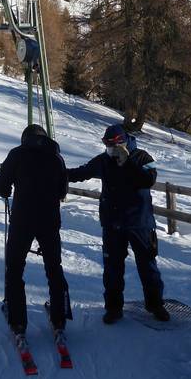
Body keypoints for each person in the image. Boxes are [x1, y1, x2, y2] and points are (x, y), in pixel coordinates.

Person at [67, 123, 170, 324]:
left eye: (113, 146)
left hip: (139, 222)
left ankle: (155, 304)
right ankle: (113, 308)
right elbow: (82, 172)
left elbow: (148, 180)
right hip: (113, 222)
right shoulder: (104, 160)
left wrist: (128, 162)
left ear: (123, 142)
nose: (110, 150)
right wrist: (57, 172)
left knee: (147, 265)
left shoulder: (142, 157)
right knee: (112, 267)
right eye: (107, 146)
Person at [0, 124, 71, 338]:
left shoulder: (17, 154)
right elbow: (63, 190)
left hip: (23, 220)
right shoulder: (56, 157)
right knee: (54, 267)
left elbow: (1, 185)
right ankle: (59, 318)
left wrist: (7, 185)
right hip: (49, 220)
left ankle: (18, 321)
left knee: (15, 268)